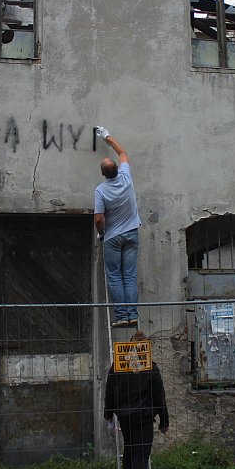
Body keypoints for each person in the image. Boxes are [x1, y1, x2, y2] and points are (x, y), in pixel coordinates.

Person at [104, 331, 169, 469]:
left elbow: (109, 390)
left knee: (130, 451)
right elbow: (159, 396)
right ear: (146, 347)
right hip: (144, 417)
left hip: (125, 416)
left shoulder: (117, 365)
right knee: (140, 455)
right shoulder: (150, 367)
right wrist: (164, 420)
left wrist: (108, 414)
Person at [93, 126, 141, 328]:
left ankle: (122, 316)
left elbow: (98, 218)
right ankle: (133, 315)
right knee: (129, 275)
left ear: (103, 174)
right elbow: (122, 152)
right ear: (117, 170)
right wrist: (106, 136)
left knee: (115, 276)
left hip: (112, 237)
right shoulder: (126, 179)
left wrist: (101, 233)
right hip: (132, 234)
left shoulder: (101, 191)